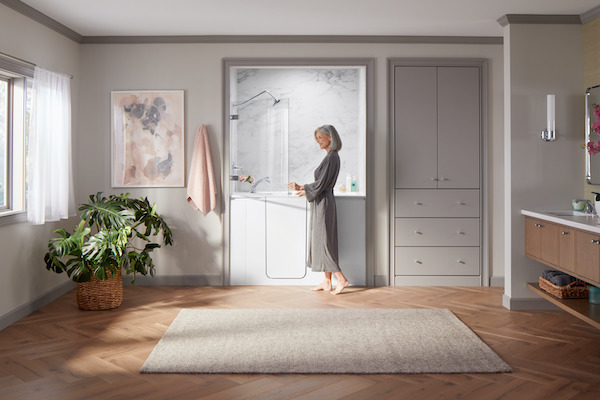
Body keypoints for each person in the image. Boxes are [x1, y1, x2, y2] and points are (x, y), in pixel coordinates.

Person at [287, 125, 350, 295]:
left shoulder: (332, 158)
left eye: (320, 138)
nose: (318, 142)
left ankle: (341, 279)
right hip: (321, 201)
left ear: (330, 138)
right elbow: (321, 182)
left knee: (324, 242)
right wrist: (304, 188)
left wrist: (303, 188)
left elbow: (321, 184)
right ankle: (327, 281)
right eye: (317, 139)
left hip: (324, 203)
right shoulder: (330, 157)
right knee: (321, 239)